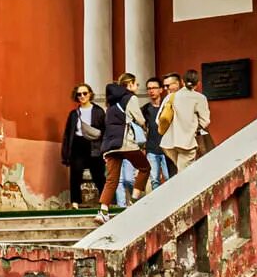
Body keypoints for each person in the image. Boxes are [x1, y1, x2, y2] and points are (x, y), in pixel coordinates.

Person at [97, 74, 150, 216]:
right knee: (145, 168)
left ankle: (103, 211)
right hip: (126, 143)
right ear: (130, 84)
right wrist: (145, 127)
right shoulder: (131, 98)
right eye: (136, 84)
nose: (137, 86)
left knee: (111, 179)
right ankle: (133, 201)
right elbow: (140, 119)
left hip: (110, 145)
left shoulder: (111, 101)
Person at [60, 84, 107, 208]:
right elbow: (68, 134)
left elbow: (104, 131)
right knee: (75, 174)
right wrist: (65, 153)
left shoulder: (98, 111)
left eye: (85, 93)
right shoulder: (74, 114)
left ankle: (105, 202)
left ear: (90, 94)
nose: (82, 96)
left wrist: (106, 149)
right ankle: (75, 202)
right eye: (79, 94)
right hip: (78, 144)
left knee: (98, 174)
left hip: (95, 145)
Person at [164, 69, 209, 172]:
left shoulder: (170, 97)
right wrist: (194, 128)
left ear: (182, 82)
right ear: (198, 83)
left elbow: (160, 120)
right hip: (187, 141)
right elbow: (205, 121)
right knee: (184, 173)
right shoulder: (200, 98)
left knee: (180, 169)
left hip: (168, 142)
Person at [143, 77, 174, 188]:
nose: (151, 91)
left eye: (154, 88)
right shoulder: (145, 109)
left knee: (169, 177)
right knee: (154, 180)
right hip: (152, 149)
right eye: (149, 88)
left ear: (161, 90)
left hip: (167, 148)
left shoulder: (167, 107)